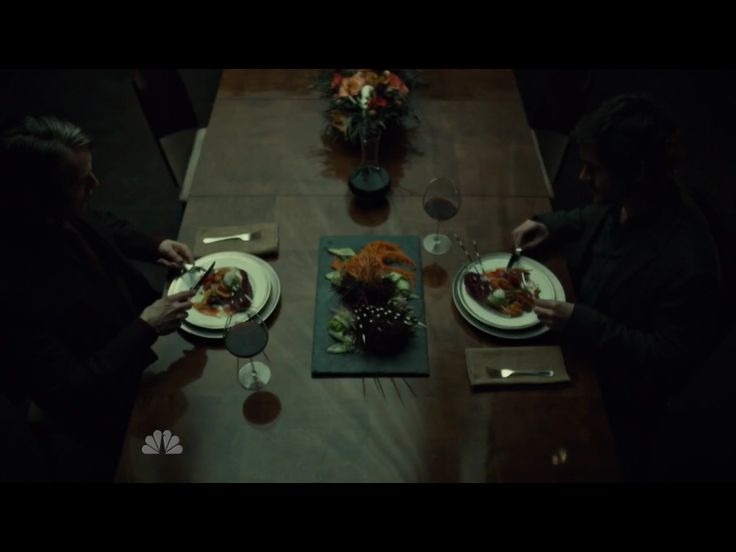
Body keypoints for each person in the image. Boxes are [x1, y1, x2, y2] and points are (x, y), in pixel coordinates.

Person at [511, 94, 724, 480]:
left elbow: (667, 360)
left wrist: (582, 321)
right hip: (576, 335)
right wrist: (551, 225)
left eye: (594, 169)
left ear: (635, 172)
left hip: (607, 392)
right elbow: (594, 214)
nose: (581, 178)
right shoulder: (634, 200)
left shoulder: (689, 263)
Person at [0, 115, 195, 481]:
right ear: (37, 197)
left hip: (140, 352)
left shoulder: (55, 213)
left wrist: (155, 244)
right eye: (79, 183)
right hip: (111, 409)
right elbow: (72, 389)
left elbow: (101, 222)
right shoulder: (13, 289)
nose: (96, 184)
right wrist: (146, 325)